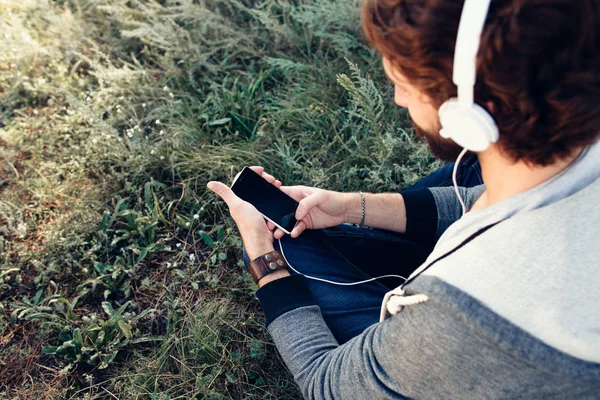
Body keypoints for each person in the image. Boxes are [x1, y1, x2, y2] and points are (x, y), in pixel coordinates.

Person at [207, 0, 600, 398]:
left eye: (406, 84)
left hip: (489, 332)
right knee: (471, 169)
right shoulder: (579, 143)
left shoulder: (450, 317)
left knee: (288, 249)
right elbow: (485, 197)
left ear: (476, 113)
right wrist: (352, 206)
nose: (398, 98)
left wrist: (262, 256)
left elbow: (327, 385)